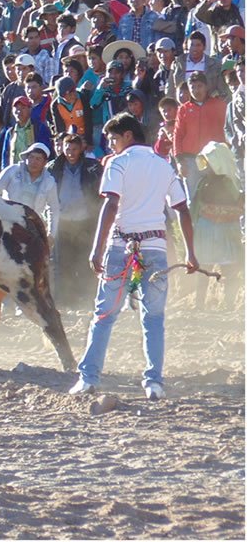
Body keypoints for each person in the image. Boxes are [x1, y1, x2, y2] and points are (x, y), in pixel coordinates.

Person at [69, 113, 198, 400]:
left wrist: (96, 247)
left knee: (104, 315)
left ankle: (89, 378)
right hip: (155, 247)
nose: (111, 145)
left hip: (121, 246)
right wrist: (190, 253)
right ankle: (154, 382)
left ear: (127, 135)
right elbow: (182, 209)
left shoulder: (118, 163)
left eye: (114, 139)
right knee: (153, 318)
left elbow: (112, 204)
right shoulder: (163, 165)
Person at [47, 133, 103, 304]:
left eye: (74, 149)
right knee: (63, 262)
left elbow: (100, 191)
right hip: (62, 221)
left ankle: (89, 297)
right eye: (67, 148)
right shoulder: (52, 167)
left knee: (85, 260)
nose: (70, 152)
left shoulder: (92, 167)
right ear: (62, 148)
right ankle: (65, 300)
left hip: (85, 219)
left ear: (81, 149)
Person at [191, 142, 243, 310]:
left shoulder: (230, 183)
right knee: (205, 270)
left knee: (228, 270)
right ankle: (200, 304)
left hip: (222, 232)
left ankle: (228, 304)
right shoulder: (205, 182)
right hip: (209, 232)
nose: (207, 166)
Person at [173, 71, 227, 203]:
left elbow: (227, 130)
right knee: (193, 199)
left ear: (206, 87)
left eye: (199, 86)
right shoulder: (184, 109)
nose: (196, 90)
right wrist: (179, 161)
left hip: (215, 158)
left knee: (217, 197)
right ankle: (194, 224)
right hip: (190, 160)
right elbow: (177, 135)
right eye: (193, 87)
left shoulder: (219, 105)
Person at [0, 142, 59, 243]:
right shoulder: (12, 170)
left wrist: (51, 234)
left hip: (31, 226)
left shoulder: (49, 181)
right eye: (31, 157)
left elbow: (53, 208)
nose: (33, 162)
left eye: (38, 159)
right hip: (6, 222)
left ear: (45, 162)